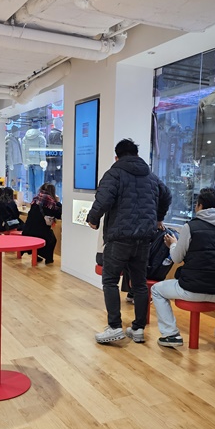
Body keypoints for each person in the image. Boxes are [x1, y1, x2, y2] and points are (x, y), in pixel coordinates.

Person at [86, 138, 172, 345]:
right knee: (140, 284)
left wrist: (93, 219)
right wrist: (159, 218)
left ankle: (114, 326)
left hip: (119, 237)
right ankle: (138, 329)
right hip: (144, 238)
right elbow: (167, 195)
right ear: (136, 155)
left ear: (117, 157)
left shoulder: (114, 173)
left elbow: (103, 199)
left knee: (110, 280)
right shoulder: (151, 176)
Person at [153, 188, 215, 349]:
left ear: (200, 206)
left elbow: (176, 258)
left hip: (192, 289)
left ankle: (170, 334)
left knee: (157, 290)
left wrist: (173, 244)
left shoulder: (191, 227)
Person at [22, 183, 62, 264]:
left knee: (44, 237)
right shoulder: (51, 202)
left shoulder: (35, 199)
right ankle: (49, 259)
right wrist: (58, 202)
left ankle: (36, 255)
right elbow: (58, 214)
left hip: (28, 229)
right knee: (52, 240)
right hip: (41, 231)